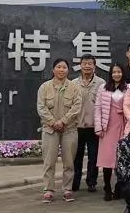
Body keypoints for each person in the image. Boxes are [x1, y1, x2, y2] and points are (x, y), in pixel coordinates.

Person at [36, 58, 83, 203]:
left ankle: (67, 189)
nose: (61, 70)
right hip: (50, 130)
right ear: (53, 69)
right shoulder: (44, 87)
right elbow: (41, 108)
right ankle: (48, 190)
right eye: (58, 67)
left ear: (68, 70)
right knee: (49, 162)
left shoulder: (74, 87)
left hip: (69, 129)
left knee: (69, 162)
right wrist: (53, 122)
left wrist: (63, 121)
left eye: (64, 67)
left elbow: (77, 107)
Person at [96, 63, 130, 201]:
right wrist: (98, 127)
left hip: (122, 125)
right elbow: (98, 108)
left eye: (119, 72)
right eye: (114, 72)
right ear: (110, 74)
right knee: (107, 160)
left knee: (120, 159)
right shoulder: (103, 88)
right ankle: (107, 188)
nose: (117, 74)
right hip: (107, 126)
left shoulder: (128, 88)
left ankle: (118, 188)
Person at [71, 54, 105, 192]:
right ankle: (75, 182)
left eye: (90, 63)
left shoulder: (101, 83)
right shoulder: (73, 83)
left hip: (93, 127)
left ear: (94, 66)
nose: (87, 66)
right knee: (76, 156)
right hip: (77, 126)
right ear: (80, 66)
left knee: (93, 156)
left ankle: (91, 182)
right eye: (84, 63)